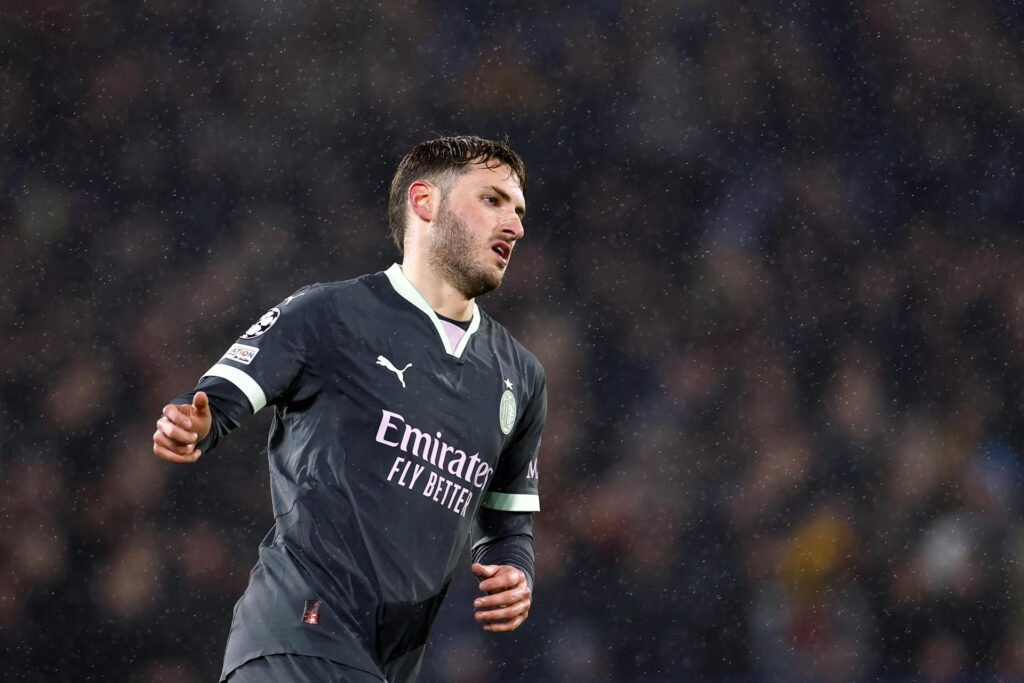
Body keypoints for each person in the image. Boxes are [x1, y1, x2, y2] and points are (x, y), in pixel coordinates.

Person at [152, 135, 546, 683]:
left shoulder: (520, 377)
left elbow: (507, 528)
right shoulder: (330, 314)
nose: (515, 226)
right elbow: (215, 400)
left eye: (519, 211)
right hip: (297, 636)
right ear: (424, 201)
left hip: (386, 664)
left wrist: (515, 573)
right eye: (492, 201)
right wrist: (193, 423)